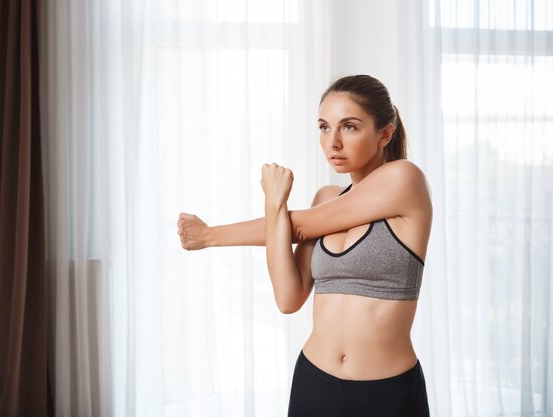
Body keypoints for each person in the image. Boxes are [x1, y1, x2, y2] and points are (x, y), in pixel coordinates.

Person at [178, 74, 432, 416]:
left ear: (384, 133)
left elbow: (296, 227)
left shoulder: (405, 179)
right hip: (314, 382)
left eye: (350, 127)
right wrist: (273, 206)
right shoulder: (326, 198)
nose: (333, 142)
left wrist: (211, 235)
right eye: (325, 127)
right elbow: (288, 298)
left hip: (386, 393)